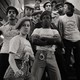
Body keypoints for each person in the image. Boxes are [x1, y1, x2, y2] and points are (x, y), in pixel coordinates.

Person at [31, 11, 61, 80]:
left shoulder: (54, 31)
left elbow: (58, 40)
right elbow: (34, 41)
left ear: (51, 20)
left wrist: (43, 38)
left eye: (47, 18)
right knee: (34, 77)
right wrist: (51, 41)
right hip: (40, 54)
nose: (45, 19)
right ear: (41, 20)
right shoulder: (37, 30)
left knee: (57, 77)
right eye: (43, 18)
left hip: (51, 55)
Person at [58, 2, 80, 80]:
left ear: (70, 8)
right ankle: (66, 77)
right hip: (67, 40)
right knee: (66, 60)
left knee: (78, 59)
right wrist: (62, 43)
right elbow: (60, 30)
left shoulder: (77, 17)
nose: (64, 8)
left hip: (77, 40)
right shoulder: (61, 18)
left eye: (65, 6)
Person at [0, 6, 19, 80]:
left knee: (15, 75)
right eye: (9, 12)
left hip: (16, 54)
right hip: (4, 52)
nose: (11, 14)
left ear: (16, 15)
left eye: (13, 12)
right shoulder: (2, 28)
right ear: (7, 15)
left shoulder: (19, 27)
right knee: (2, 74)